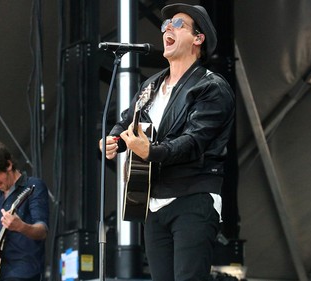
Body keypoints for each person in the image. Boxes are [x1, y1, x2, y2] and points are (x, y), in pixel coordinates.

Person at [99, 3, 235, 281]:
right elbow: (127, 122)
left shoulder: (211, 87)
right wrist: (113, 140)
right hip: (153, 204)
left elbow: (193, 142)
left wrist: (151, 151)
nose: (167, 29)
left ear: (198, 39)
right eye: (165, 25)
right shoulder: (152, 86)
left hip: (193, 198)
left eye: (178, 24)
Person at [0, 140, 49, 281]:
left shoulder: (34, 186)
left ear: (8, 165)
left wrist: (21, 226)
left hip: (24, 274)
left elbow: (42, 231)